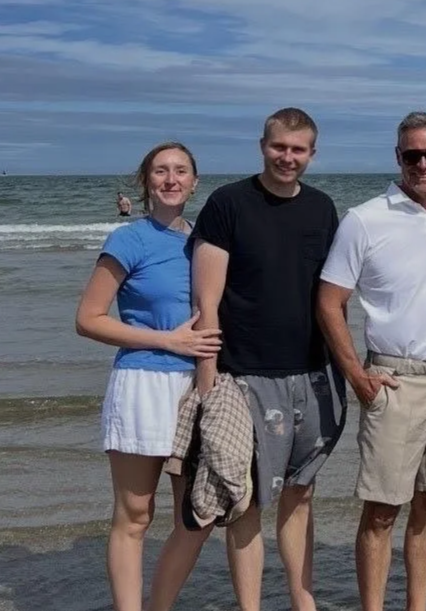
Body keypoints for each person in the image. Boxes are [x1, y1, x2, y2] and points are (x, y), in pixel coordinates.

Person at [316, 110, 426, 611]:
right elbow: (328, 301)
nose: (424, 164)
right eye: (413, 155)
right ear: (398, 157)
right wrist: (356, 376)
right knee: (383, 510)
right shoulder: (364, 219)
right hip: (393, 379)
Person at [190, 107, 347, 611]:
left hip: (313, 373)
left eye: (298, 150)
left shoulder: (323, 209)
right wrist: (208, 380)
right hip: (245, 374)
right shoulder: (228, 203)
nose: (288, 157)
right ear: (263, 145)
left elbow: (332, 297)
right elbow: (206, 303)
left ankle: (304, 602)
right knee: (247, 502)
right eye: (280, 146)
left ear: (312, 154)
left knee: (301, 495)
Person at [76, 142, 220, 611]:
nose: (171, 179)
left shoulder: (205, 240)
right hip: (142, 383)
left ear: (195, 183)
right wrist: (167, 341)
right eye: (161, 171)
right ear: (146, 182)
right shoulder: (128, 239)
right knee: (135, 515)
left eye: (181, 171)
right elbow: (89, 318)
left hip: (196, 387)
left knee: (195, 516)